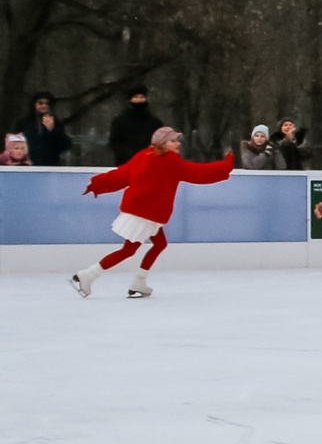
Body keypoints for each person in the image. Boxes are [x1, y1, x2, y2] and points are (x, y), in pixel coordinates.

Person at [70, 127, 234, 298]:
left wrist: (98, 184)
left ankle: (139, 282)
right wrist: (226, 166)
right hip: (145, 214)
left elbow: (121, 175)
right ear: (162, 143)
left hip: (142, 211)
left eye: (177, 140)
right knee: (128, 250)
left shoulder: (143, 155)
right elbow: (198, 173)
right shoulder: (171, 162)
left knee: (159, 243)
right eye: (173, 140)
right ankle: (88, 275)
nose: (178, 143)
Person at [107, 87, 161, 164]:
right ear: (130, 99)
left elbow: (160, 142)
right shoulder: (119, 121)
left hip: (149, 162)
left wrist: (149, 152)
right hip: (125, 162)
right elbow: (114, 142)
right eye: (136, 97)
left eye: (142, 97)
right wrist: (127, 154)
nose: (139, 100)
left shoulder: (155, 122)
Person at [19, 93, 73, 165]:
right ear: (34, 104)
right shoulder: (24, 122)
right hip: (27, 165)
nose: (44, 106)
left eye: (47, 103)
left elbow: (65, 145)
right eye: (40, 103)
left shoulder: (56, 122)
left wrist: (52, 130)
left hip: (50, 165)